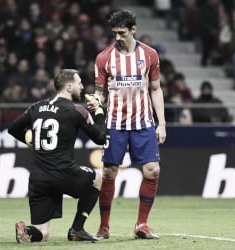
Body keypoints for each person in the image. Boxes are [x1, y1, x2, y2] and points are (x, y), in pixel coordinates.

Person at [8, 69, 107, 244]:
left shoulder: (36, 107)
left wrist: (28, 139)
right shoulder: (76, 111)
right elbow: (100, 138)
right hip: (64, 174)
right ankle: (77, 229)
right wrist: (99, 111)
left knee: (42, 233)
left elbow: (13, 129)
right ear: (69, 87)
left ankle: (26, 232)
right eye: (79, 83)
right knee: (98, 178)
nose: (82, 87)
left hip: (39, 179)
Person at [92, 10, 166, 240]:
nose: (117, 37)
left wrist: (161, 123)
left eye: (122, 32)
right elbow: (99, 93)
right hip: (115, 123)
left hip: (143, 122)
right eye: (114, 33)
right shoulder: (104, 58)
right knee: (109, 172)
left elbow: (155, 89)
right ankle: (104, 227)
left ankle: (142, 224)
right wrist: (96, 109)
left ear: (133, 29)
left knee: (153, 169)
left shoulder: (150, 55)